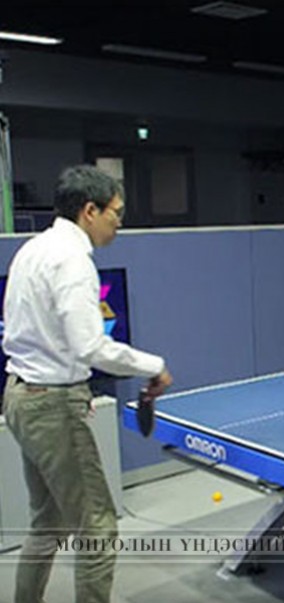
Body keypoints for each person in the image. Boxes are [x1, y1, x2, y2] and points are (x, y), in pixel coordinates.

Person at [2, 164, 173, 603]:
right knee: (98, 527)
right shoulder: (74, 262)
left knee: (47, 524)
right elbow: (91, 347)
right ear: (89, 210)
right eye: (116, 212)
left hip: (20, 396)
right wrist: (154, 365)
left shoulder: (32, 250)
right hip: (52, 406)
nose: (120, 222)